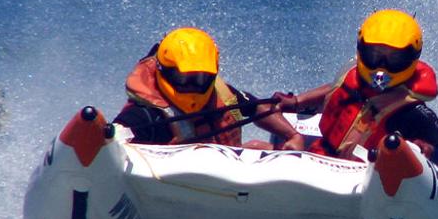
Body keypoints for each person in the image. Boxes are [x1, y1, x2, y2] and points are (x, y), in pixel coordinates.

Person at [274, 9, 438, 178]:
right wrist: (297, 101)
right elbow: (333, 89)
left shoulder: (413, 111)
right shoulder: (351, 75)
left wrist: (428, 151)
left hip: (367, 180)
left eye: (394, 58)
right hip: (321, 159)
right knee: (256, 146)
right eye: (375, 55)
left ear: (412, 57)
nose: (382, 67)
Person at [113, 27, 304, 149]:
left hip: (225, 184)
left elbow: (257, 107)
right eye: (184, 79)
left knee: (260, 147)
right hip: (173, 189)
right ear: (165, 72)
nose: (193, 87)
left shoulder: (221, 94)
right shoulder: (145, 115)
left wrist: (292, 135)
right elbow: (115, 142)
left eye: (201, 79)